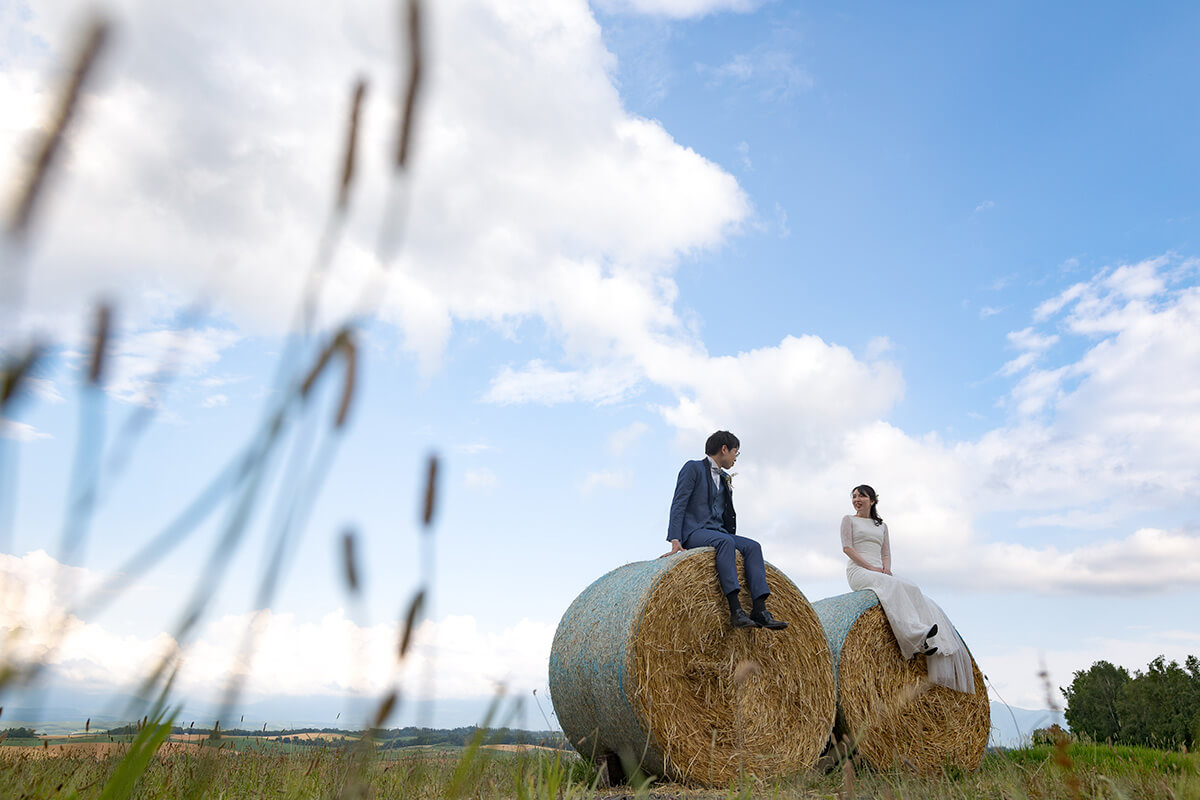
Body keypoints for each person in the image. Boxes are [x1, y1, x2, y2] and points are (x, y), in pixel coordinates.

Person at [840, 484, 974, 693]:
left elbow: (886, 552)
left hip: (880, 572)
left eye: (862, 496)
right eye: (854, 496)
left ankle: (927, 636)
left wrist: (886, 568)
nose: (857, 500)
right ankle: (916, 634)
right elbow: (847, 548)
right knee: (893, 587)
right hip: (859, 571)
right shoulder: (849, 520)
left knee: (911, 587)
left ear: (872, 500)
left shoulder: (882, 526)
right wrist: (871, 568)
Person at [662, 431, 787, 631]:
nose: (735, 459)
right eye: (735, 453)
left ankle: (760, 610)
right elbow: (679, 503)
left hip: (719, 531)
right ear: (724, 449)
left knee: (753, 547)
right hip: (695, 531)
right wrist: (675, 539)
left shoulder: (725, 478)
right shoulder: (693, 468)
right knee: (725, 543)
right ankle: (736, 609)